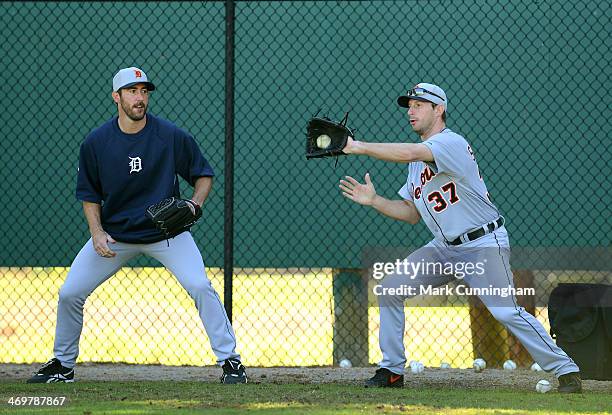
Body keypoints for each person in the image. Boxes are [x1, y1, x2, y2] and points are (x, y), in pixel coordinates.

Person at [338, 83, 582, 393]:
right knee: (390, 289)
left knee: (506, 310)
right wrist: (375, 201)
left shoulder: (450, 143)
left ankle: (566, 369)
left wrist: (358, 147)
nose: (411, 110)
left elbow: (412, 151)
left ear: (438, 109)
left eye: (419, 104)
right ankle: (391, 371)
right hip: (444, 249)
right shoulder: (416, 165)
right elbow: (411, 212)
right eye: (409, 105)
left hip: (481, 244)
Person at [27, 67, 247, 384]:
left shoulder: (169, 136)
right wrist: (97, 233)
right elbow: (89, 195)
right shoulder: (97, 142)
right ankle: (62, 365)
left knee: (200, 286)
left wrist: (194, 204)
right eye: (132, 91)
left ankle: (230, 362)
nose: (139, 98)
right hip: (116, 236)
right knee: (70, 292)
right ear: (117, 97)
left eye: (144, 91)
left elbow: (203, 174)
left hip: (167, 234)